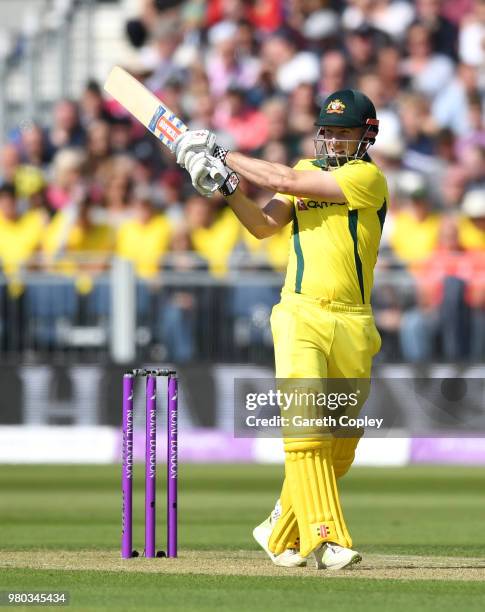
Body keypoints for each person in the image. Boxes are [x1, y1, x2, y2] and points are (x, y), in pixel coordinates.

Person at [173, 89, 388, 570]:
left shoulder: (367, 178)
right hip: (299, 313)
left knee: (341, 446)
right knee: (306, 427)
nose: (332, 141)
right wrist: (227, 188)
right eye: (328, 132)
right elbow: (264, 226)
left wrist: (224, 154)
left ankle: (278, 527)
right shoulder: (304, 173)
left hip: (353, 321)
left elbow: (284, 178)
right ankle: (326, 539)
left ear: (366, 137)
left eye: (344, 133)